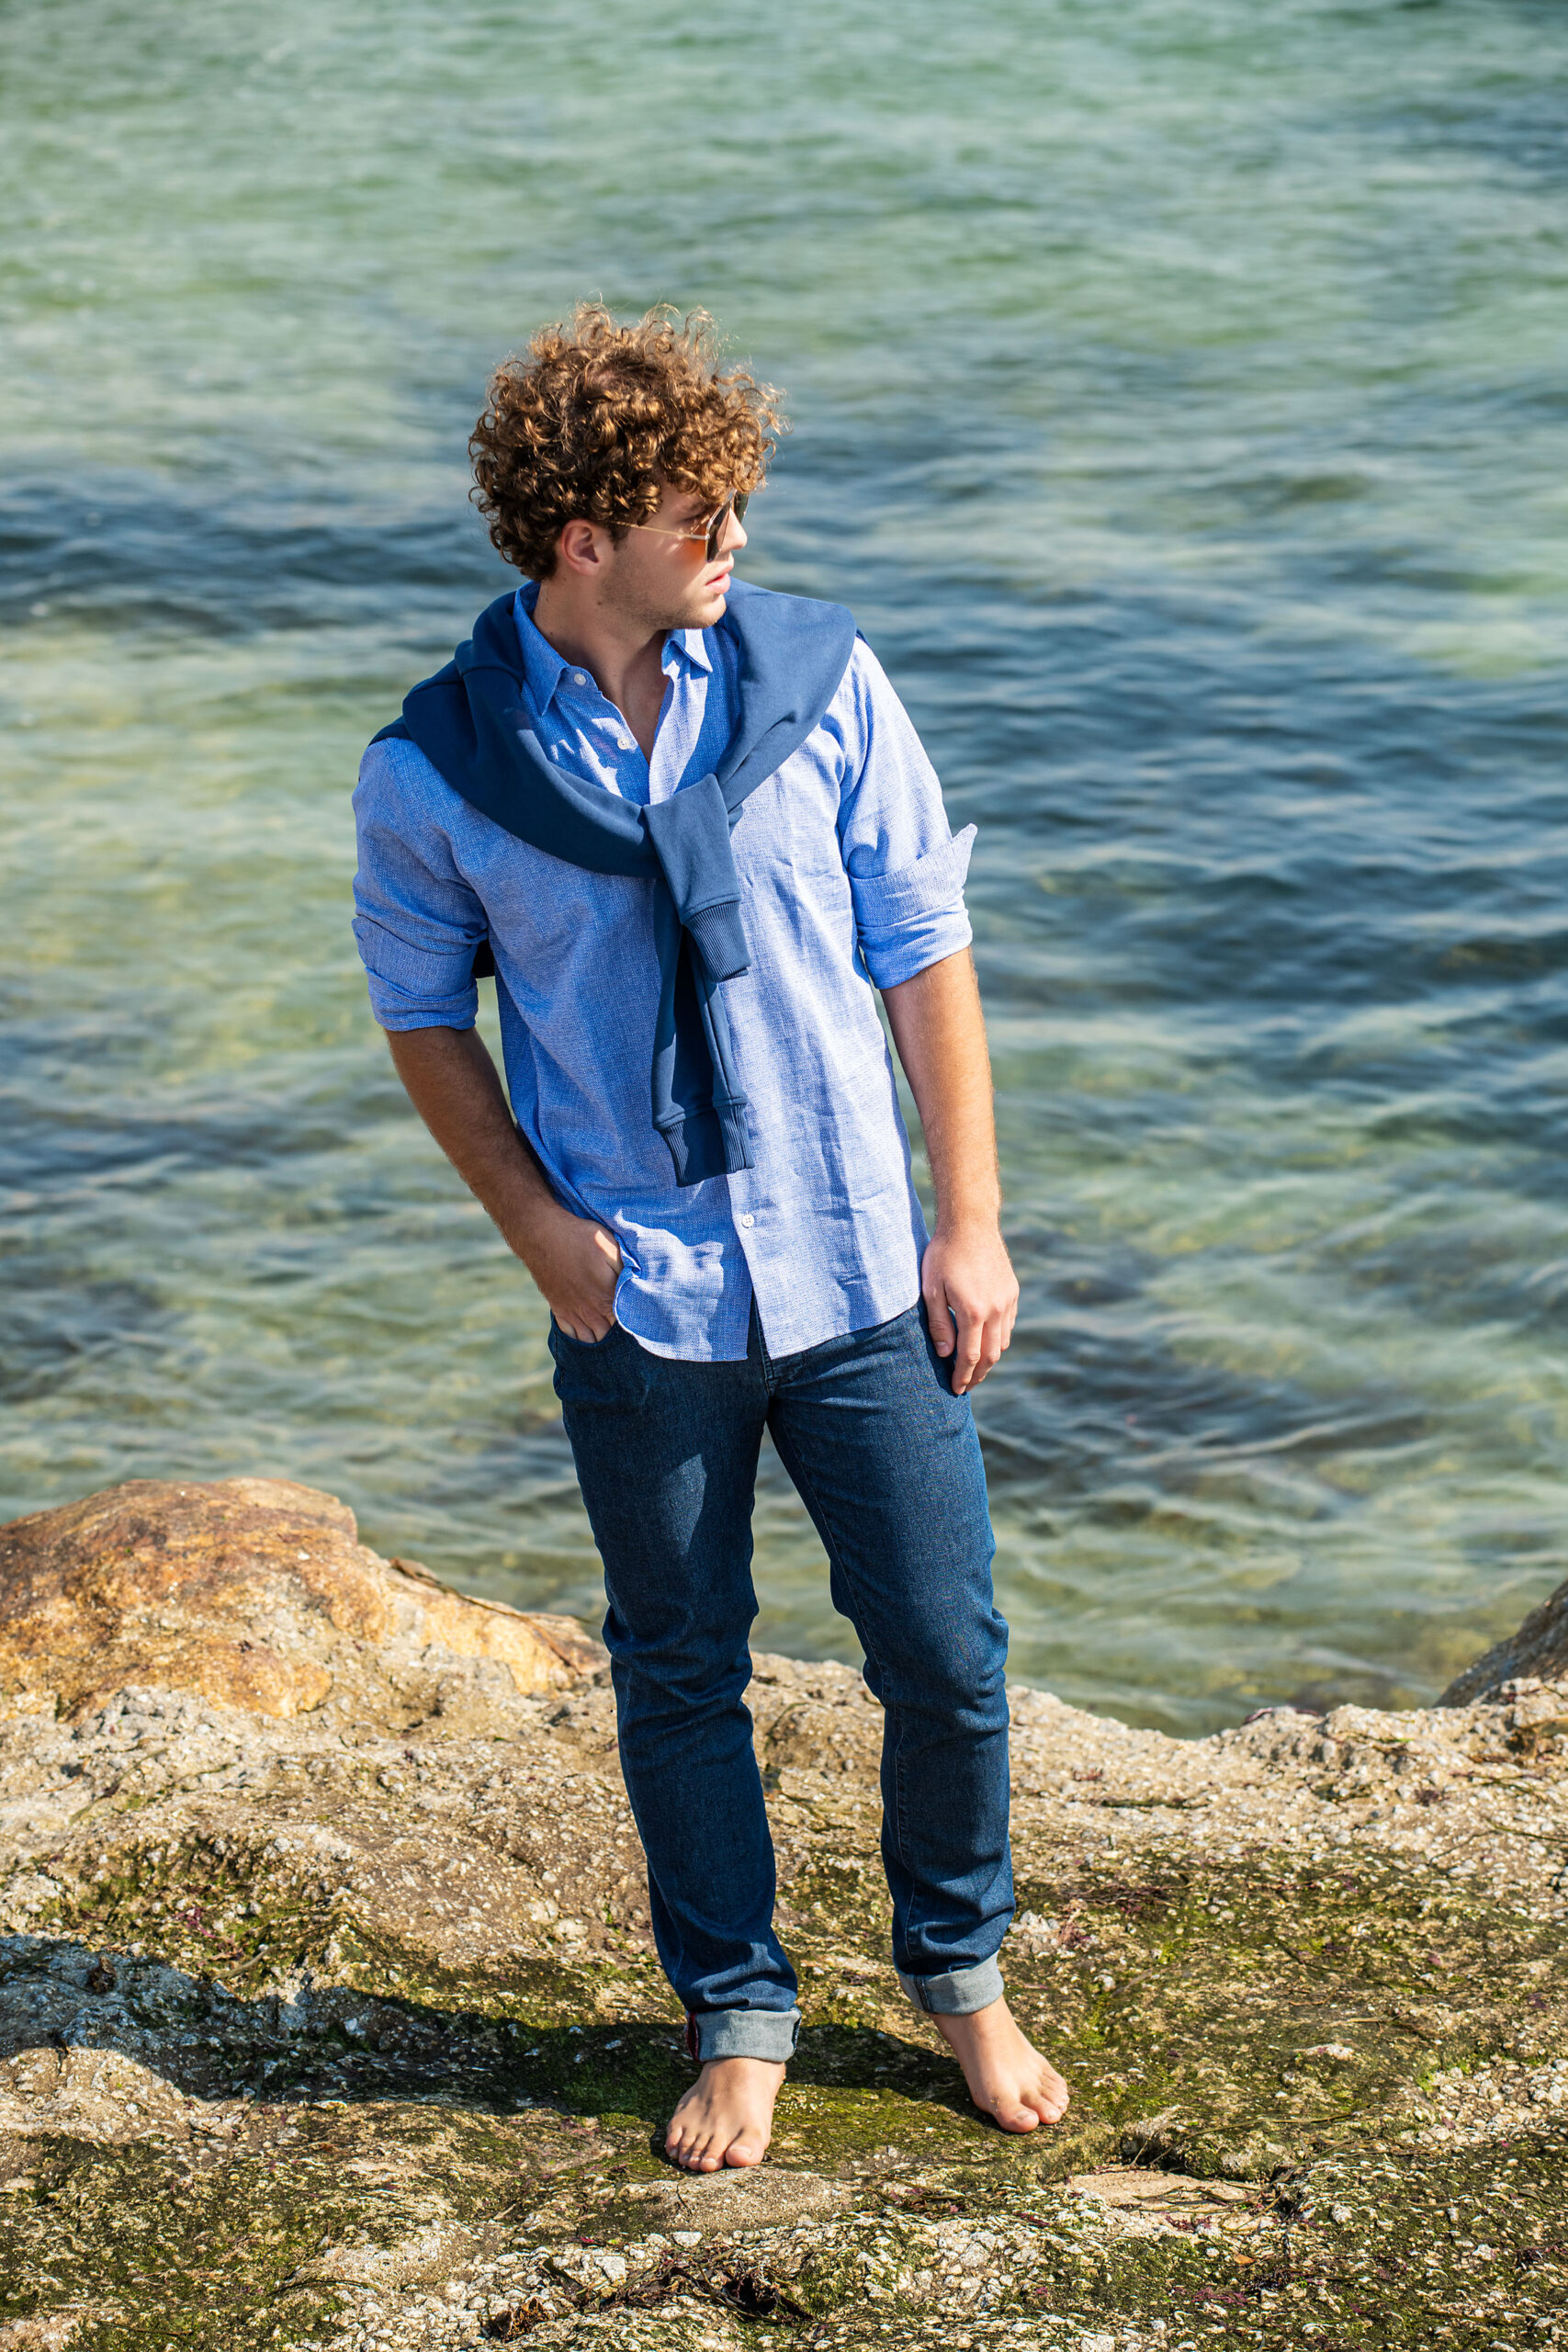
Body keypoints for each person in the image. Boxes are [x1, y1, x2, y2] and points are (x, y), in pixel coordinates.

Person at [351, 303, 1069, 2172]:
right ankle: (738, 2010)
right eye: (702, 511)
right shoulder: (436, 768)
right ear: (586, 538)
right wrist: (541, 1236)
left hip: (858, 1272)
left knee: (946, 1647)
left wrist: (970, 1222)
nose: (736, 535)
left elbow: (923, 948)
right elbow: (423, 1016)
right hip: (641, 1299)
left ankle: (959, 1972)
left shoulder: (823, 682)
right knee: (679, 1668)